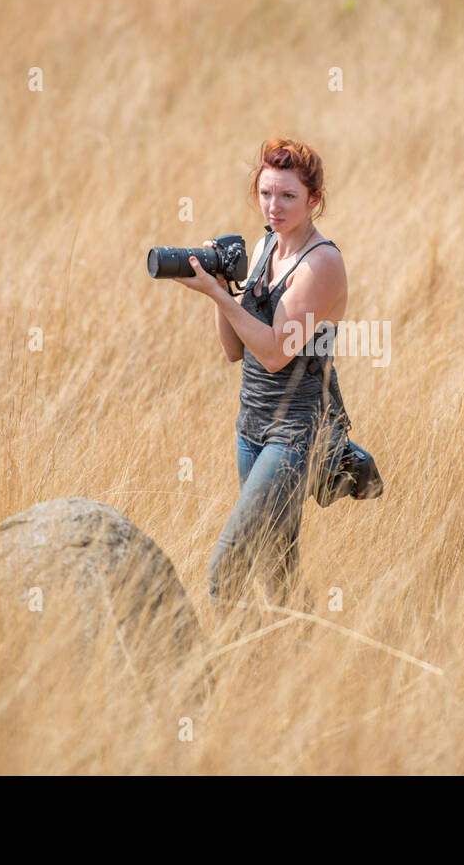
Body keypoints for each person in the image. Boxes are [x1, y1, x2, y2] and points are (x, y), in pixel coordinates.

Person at [173, 138, 352, 616]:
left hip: (295, 434)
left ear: (314, 199)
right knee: (278, 568)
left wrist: (220, 295)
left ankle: (232, 669)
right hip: (250, 427)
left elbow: (274, 355)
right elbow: (235, 350)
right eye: (266, 193)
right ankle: (297, 666)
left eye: (288, 196)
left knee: (225, 566)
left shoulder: (322, 264)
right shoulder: (265, 246)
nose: (273, 207)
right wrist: (222, 286)